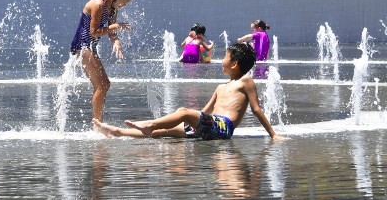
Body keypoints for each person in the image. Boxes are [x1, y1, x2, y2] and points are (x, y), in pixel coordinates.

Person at [93, 42, 281, 140]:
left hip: (223, 127)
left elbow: (256, 109)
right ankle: (117, 131)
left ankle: (149, 123)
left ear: (234, 64)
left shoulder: (245, 81)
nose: (221, 59)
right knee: (164, 131)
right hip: (210, 126)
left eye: (225, 56)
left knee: (182, 111)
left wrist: (273, 135)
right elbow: (205, 112)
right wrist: (192, 120)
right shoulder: (221, 87)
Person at [70, 0, 135, 122]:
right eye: (124, 1)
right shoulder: (98, 4)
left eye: (127, 2)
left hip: (89, 47)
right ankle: (97, 124)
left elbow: (110, 29)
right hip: (82, 46)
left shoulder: (112, 7)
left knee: (103, 85)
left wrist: (116, 41)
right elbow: (95, 31)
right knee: (103, 84)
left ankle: (98, 123)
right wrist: (116, 26)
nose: (124, 5)